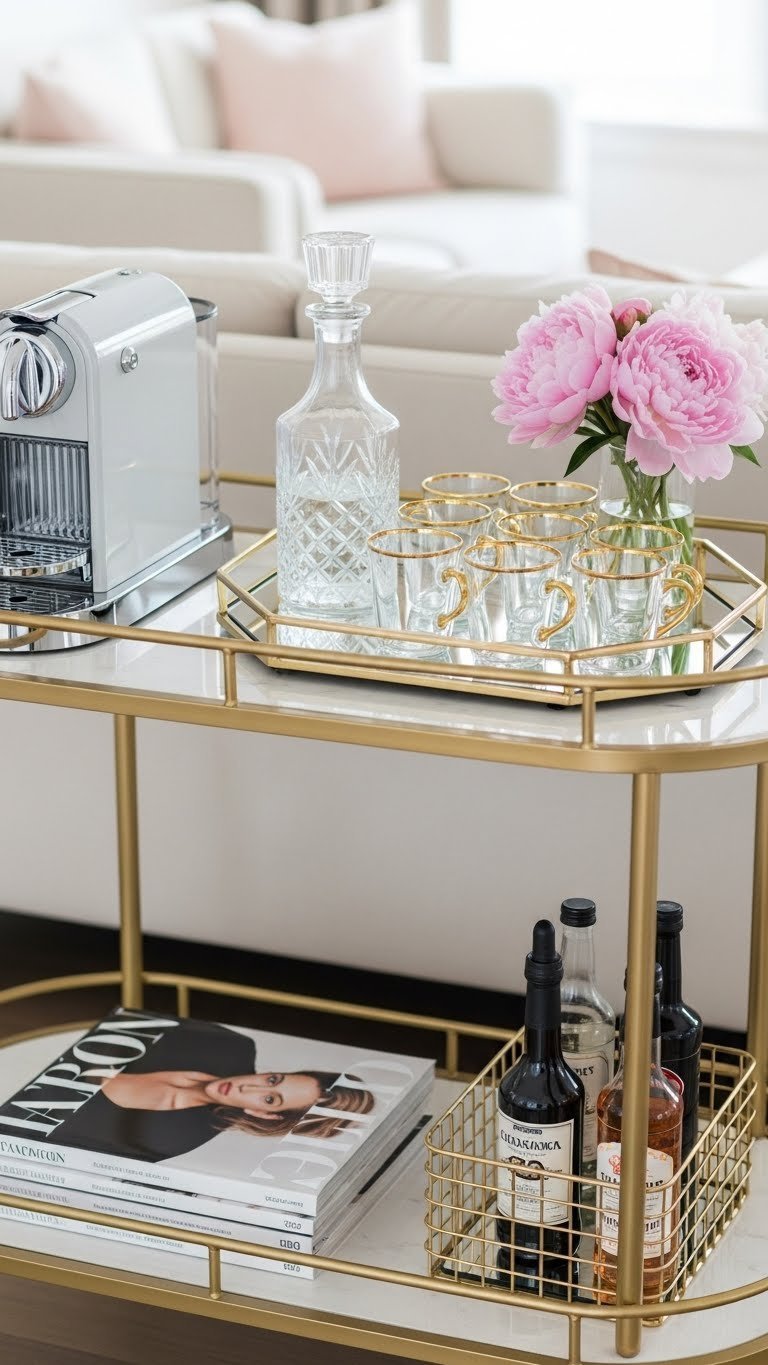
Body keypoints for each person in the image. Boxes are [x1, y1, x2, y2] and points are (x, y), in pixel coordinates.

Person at [55, 1017, 375, 1163]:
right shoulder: (226, 1045)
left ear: (262, 1112)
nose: (249, 1084)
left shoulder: (171, 1140)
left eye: (268, 1098)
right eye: (273, 1080)